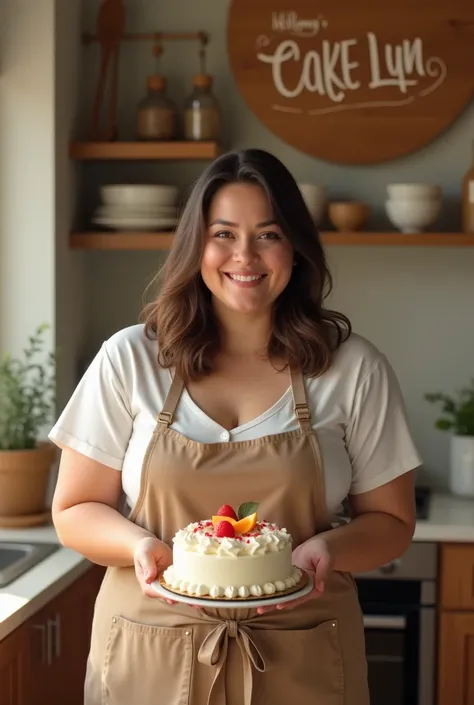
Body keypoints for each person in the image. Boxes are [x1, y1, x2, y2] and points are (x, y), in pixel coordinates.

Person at [49, 148, 421, 705]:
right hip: (147, 657)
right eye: (223, 232)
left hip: (306, 660)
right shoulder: (130, 359)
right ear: (195, 245)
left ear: (295, 248)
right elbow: (74, 510)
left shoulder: (352, 367)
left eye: (268, 234)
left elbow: (391, 522)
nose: (244, 255)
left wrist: (328, 549)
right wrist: (140, 546)